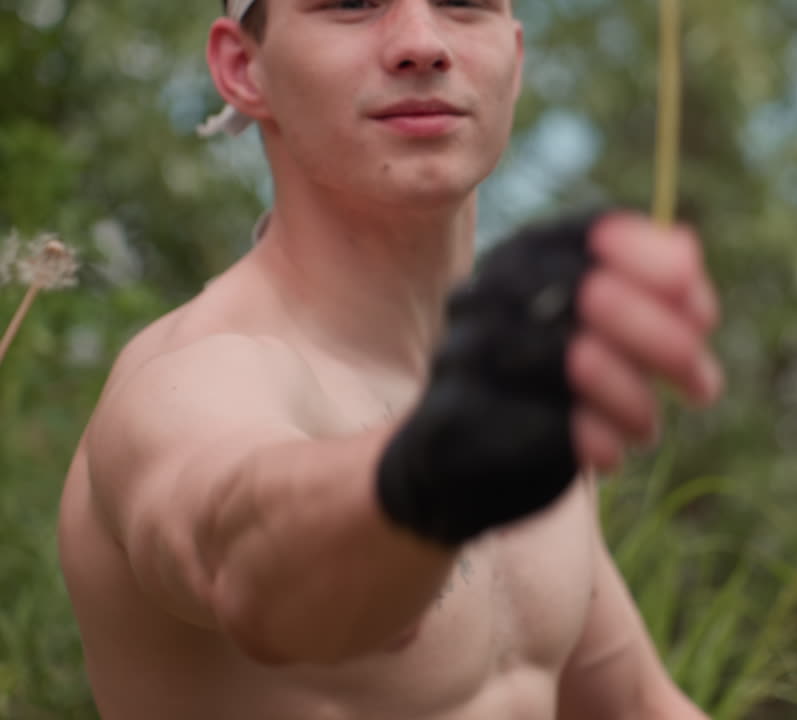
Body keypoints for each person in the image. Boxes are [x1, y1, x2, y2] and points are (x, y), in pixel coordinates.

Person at [56, 0, 724, 717]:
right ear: (243, 68)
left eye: (465, 3)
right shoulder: (192, 378)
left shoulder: (510, 393)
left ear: (516, 59)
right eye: (351, 4)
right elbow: (249, 565)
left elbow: (636, 705)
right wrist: (434, 468)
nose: (422, 43)